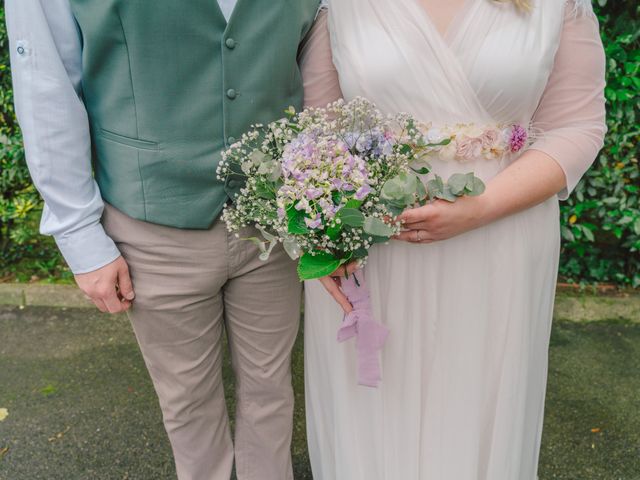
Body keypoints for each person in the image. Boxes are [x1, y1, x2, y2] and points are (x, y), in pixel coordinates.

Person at [6, 1, 325, 479]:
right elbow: (46, 81)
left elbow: (312, 56)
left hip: (272, 219)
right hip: (152, 217)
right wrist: (80, 234)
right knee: (188, 404)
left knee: (272, 390)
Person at [300, 0, 607, 478]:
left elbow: (578, 125)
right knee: (376, 408)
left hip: (501, 238)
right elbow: (316, 127)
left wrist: (481, 207)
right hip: (377, 248)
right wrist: (324, 237)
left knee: (476, 400)